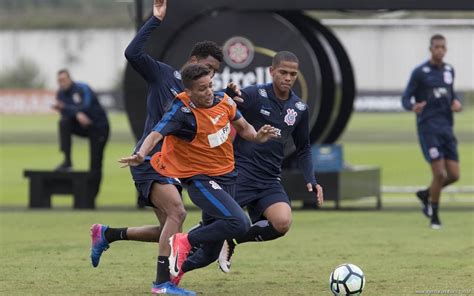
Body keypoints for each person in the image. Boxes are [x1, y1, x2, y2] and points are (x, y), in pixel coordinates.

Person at [89, 1, 236, 294]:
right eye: (207, 68)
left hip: (172, 167)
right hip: (147, 161)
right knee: (178, 214)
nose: (210, 76)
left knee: (169, 231)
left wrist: (228, 95)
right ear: (193, 60)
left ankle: (107, 234)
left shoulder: (203, 96)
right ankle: (161, 284)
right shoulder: (163, 75)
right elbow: (132, 53)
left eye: (214, 73)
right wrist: (155, 20)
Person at [119, 64, 279, 294]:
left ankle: (164, 282)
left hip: (227, 178)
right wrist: (141, 154)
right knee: (239, 223)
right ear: (189, 92)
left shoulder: (224, 101)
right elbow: (156, 133)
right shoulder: (181, 110)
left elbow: (244, 129)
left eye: (210, 86)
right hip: (200, 180)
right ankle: (183, 241)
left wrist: (259, 136)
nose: (209, 92)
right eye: (202, 89)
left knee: (208, 254)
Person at [217, 51, 324, 273]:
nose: (288, 78)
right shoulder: (255, 95)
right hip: (241, 173)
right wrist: (226, 93)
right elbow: (219, 101)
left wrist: (311, 179)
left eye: (293, 74)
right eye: (283, 72)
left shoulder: (299, 108)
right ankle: (180, 260)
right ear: (271, 71)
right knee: (213, 226)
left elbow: (303, 147)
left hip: (269, 178)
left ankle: (232, 241)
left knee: (282, 222)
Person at [401, 34, 462, 230]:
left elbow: (451, 94)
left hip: (446, 128)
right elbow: (405, 98)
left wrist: (456, 103)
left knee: (454, 175)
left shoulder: (449, 70)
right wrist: (413, 106)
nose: (440, 50)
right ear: (431, 49)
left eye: (443, 47)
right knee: (440, 174)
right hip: (428, 129)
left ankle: (426, 194)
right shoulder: (420, 72)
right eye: (437, 47)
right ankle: (434, 217)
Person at [52, 69, 109, 200]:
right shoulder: (60, 93)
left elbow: (86, 106)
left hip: (98, 126)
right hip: (83, 126)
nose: (62, 83)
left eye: (64, 80)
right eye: (59, 80)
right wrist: (74, 112)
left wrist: (70, 109)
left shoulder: (82, 88)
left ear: (70, 79)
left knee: (95, 162)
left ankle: (91, 196)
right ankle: (67, 160)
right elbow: (67, 115)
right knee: (64, 123)